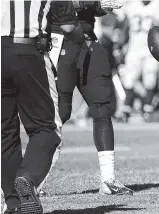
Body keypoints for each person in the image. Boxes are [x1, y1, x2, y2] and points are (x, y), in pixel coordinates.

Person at [37, 0, 132, 196]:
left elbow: (89, 8)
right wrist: (92, 2)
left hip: (89, 41)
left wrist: (102, 7)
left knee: (102, 108)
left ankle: (108, 180)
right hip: (61, 40)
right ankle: (33, 180)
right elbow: (57, 4)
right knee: (59, 111)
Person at [1, 1, 86, 213]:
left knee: (5, 133)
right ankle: (27, 177)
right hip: (29, 52)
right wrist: (82, 41)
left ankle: (13, 204)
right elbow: (68, 27)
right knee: (48, 129)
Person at [118, 0, 159, 122]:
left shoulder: (158, 7)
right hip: (133, 49)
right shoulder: (131, 6)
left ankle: (147, 110)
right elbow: (125, 27)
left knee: (149, 79)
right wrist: (119, 46)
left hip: (151, 50)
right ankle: (127, 109)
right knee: (129, 79)